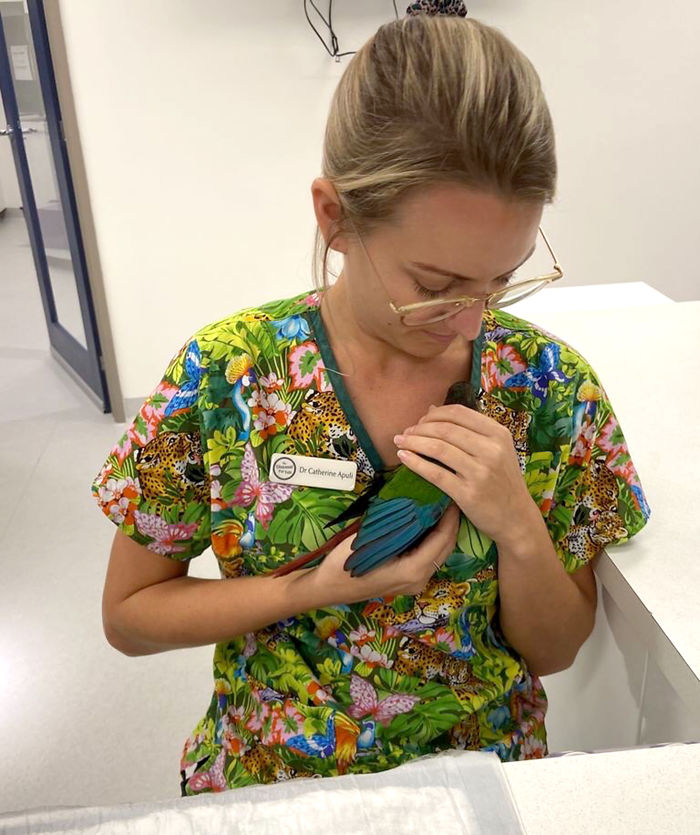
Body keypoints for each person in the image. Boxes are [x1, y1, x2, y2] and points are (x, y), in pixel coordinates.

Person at [92, 10, 651, 795]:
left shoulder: (550, 388)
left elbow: (555, 652)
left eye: (504, 278)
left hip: (484, 780)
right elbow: (129, 616)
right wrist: (310, 590)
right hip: (274, 781)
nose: (474, 322)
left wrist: (519, 525)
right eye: (435, 285)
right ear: (336, 218)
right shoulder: (226, 375)